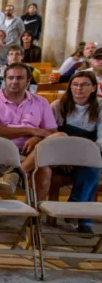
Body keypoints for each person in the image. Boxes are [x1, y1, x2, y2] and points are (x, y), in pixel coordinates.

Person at [0, 63, 62, 200]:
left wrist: (38, 138)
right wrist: (32, 130)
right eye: (10, 78)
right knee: (43, 168)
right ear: (5, 80)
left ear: (28, 81)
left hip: (31, 151)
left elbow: (51, 131)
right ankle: (34, 215)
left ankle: (19, 175)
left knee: (59, 139)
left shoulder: (40, 102)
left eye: (19, 78)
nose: (14, 81)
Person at [50, 71, 102, 233]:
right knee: (93, 170)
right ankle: (84, 220)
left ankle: (75, 205)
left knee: (92, 167)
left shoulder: (100, 108)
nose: (79, 88)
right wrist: (64, 158)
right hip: (60, 158)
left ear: (94, 88)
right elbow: (49, 135)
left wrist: (80, 157)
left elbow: (101, 140)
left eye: (84, 85)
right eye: (75, 84)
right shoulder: (58, 106)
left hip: (88, 155)